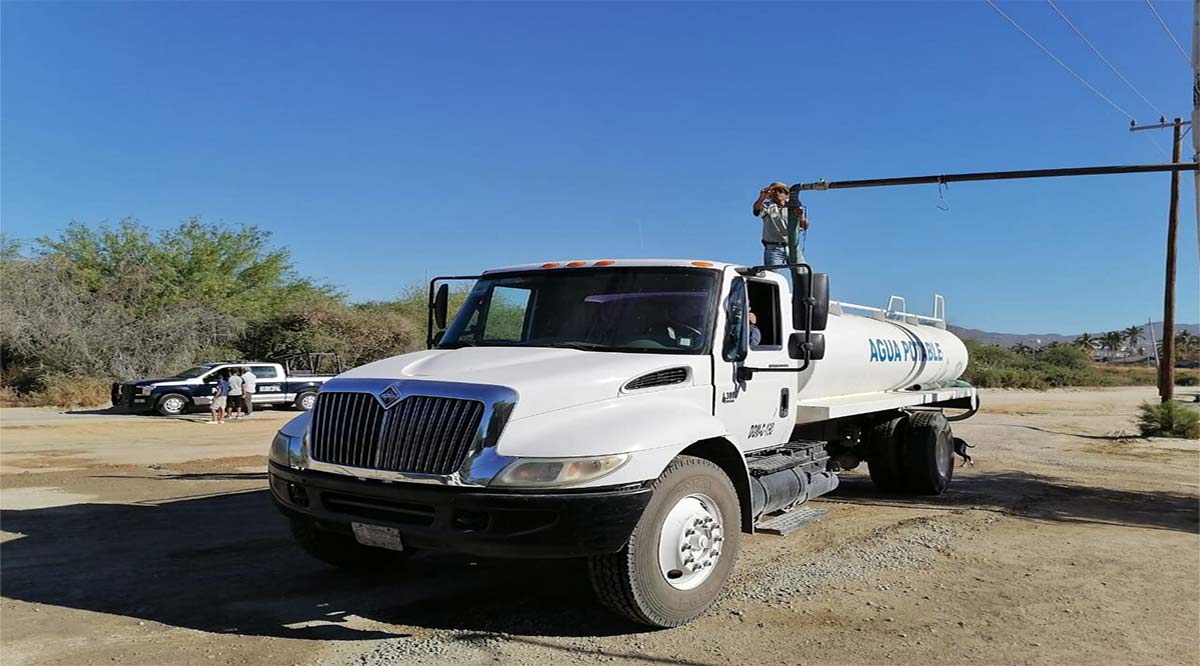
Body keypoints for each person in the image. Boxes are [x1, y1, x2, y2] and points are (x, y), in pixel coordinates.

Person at [752, 181, 810, 267]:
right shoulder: (767, 206)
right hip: (774, 249)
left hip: (792, 247)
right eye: (774, 191)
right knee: (773, 274)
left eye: (780, 191)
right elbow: (756, 211)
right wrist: (762, 197)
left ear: (787, 194)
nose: (777, 193)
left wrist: (801, 216)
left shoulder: (794, 207)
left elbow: (805, 226)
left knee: (802, 272)